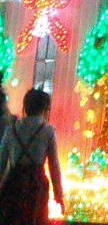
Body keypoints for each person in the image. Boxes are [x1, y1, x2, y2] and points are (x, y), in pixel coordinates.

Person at [0, 87, 63, 225]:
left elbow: (1, 163)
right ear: (45, 109)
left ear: (25, 106)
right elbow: (54, 166)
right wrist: (58, 195)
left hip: (13, 182)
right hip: (37, 184)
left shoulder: (11, 130)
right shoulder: (48, 131)